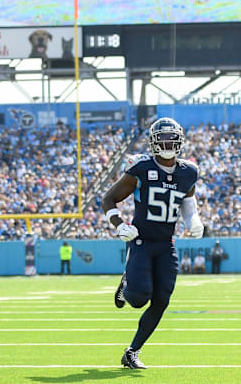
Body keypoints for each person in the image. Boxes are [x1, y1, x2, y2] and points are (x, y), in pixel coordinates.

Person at [101, 117, 204, 369]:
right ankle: (127, 283)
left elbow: (187, 200)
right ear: (153, 142)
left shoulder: (189, 171)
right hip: (141, 241)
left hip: (166, 244)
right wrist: (119, 225)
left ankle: (132, 352)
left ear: (179, 142)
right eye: (163, 139)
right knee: (138, 299)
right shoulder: (141, 168)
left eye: (172, 139)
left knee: (161, 300)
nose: (168, 143)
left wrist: (194, 219)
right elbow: (108, 199)